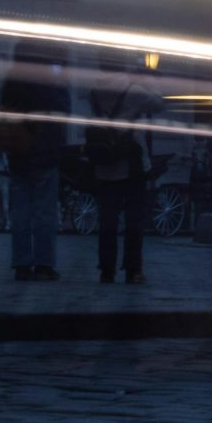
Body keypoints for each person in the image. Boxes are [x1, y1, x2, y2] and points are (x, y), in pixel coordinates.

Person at [0, 42, 67, 282]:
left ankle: (21, 264)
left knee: (21, 212)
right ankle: (44, 264)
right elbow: (62, 115)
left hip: (18, 155)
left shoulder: (11, 82)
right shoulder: (50, 82)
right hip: (45, 156)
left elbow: (1, 116)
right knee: (45, 212)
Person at [83, 53, 155, 285]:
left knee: (108, 220)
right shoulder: (134, 89)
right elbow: (159, 104)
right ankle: (133, 270)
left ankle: (106, 270)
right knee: (134, 220)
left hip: (105, 164)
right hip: (131, 164)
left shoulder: (94, 90)